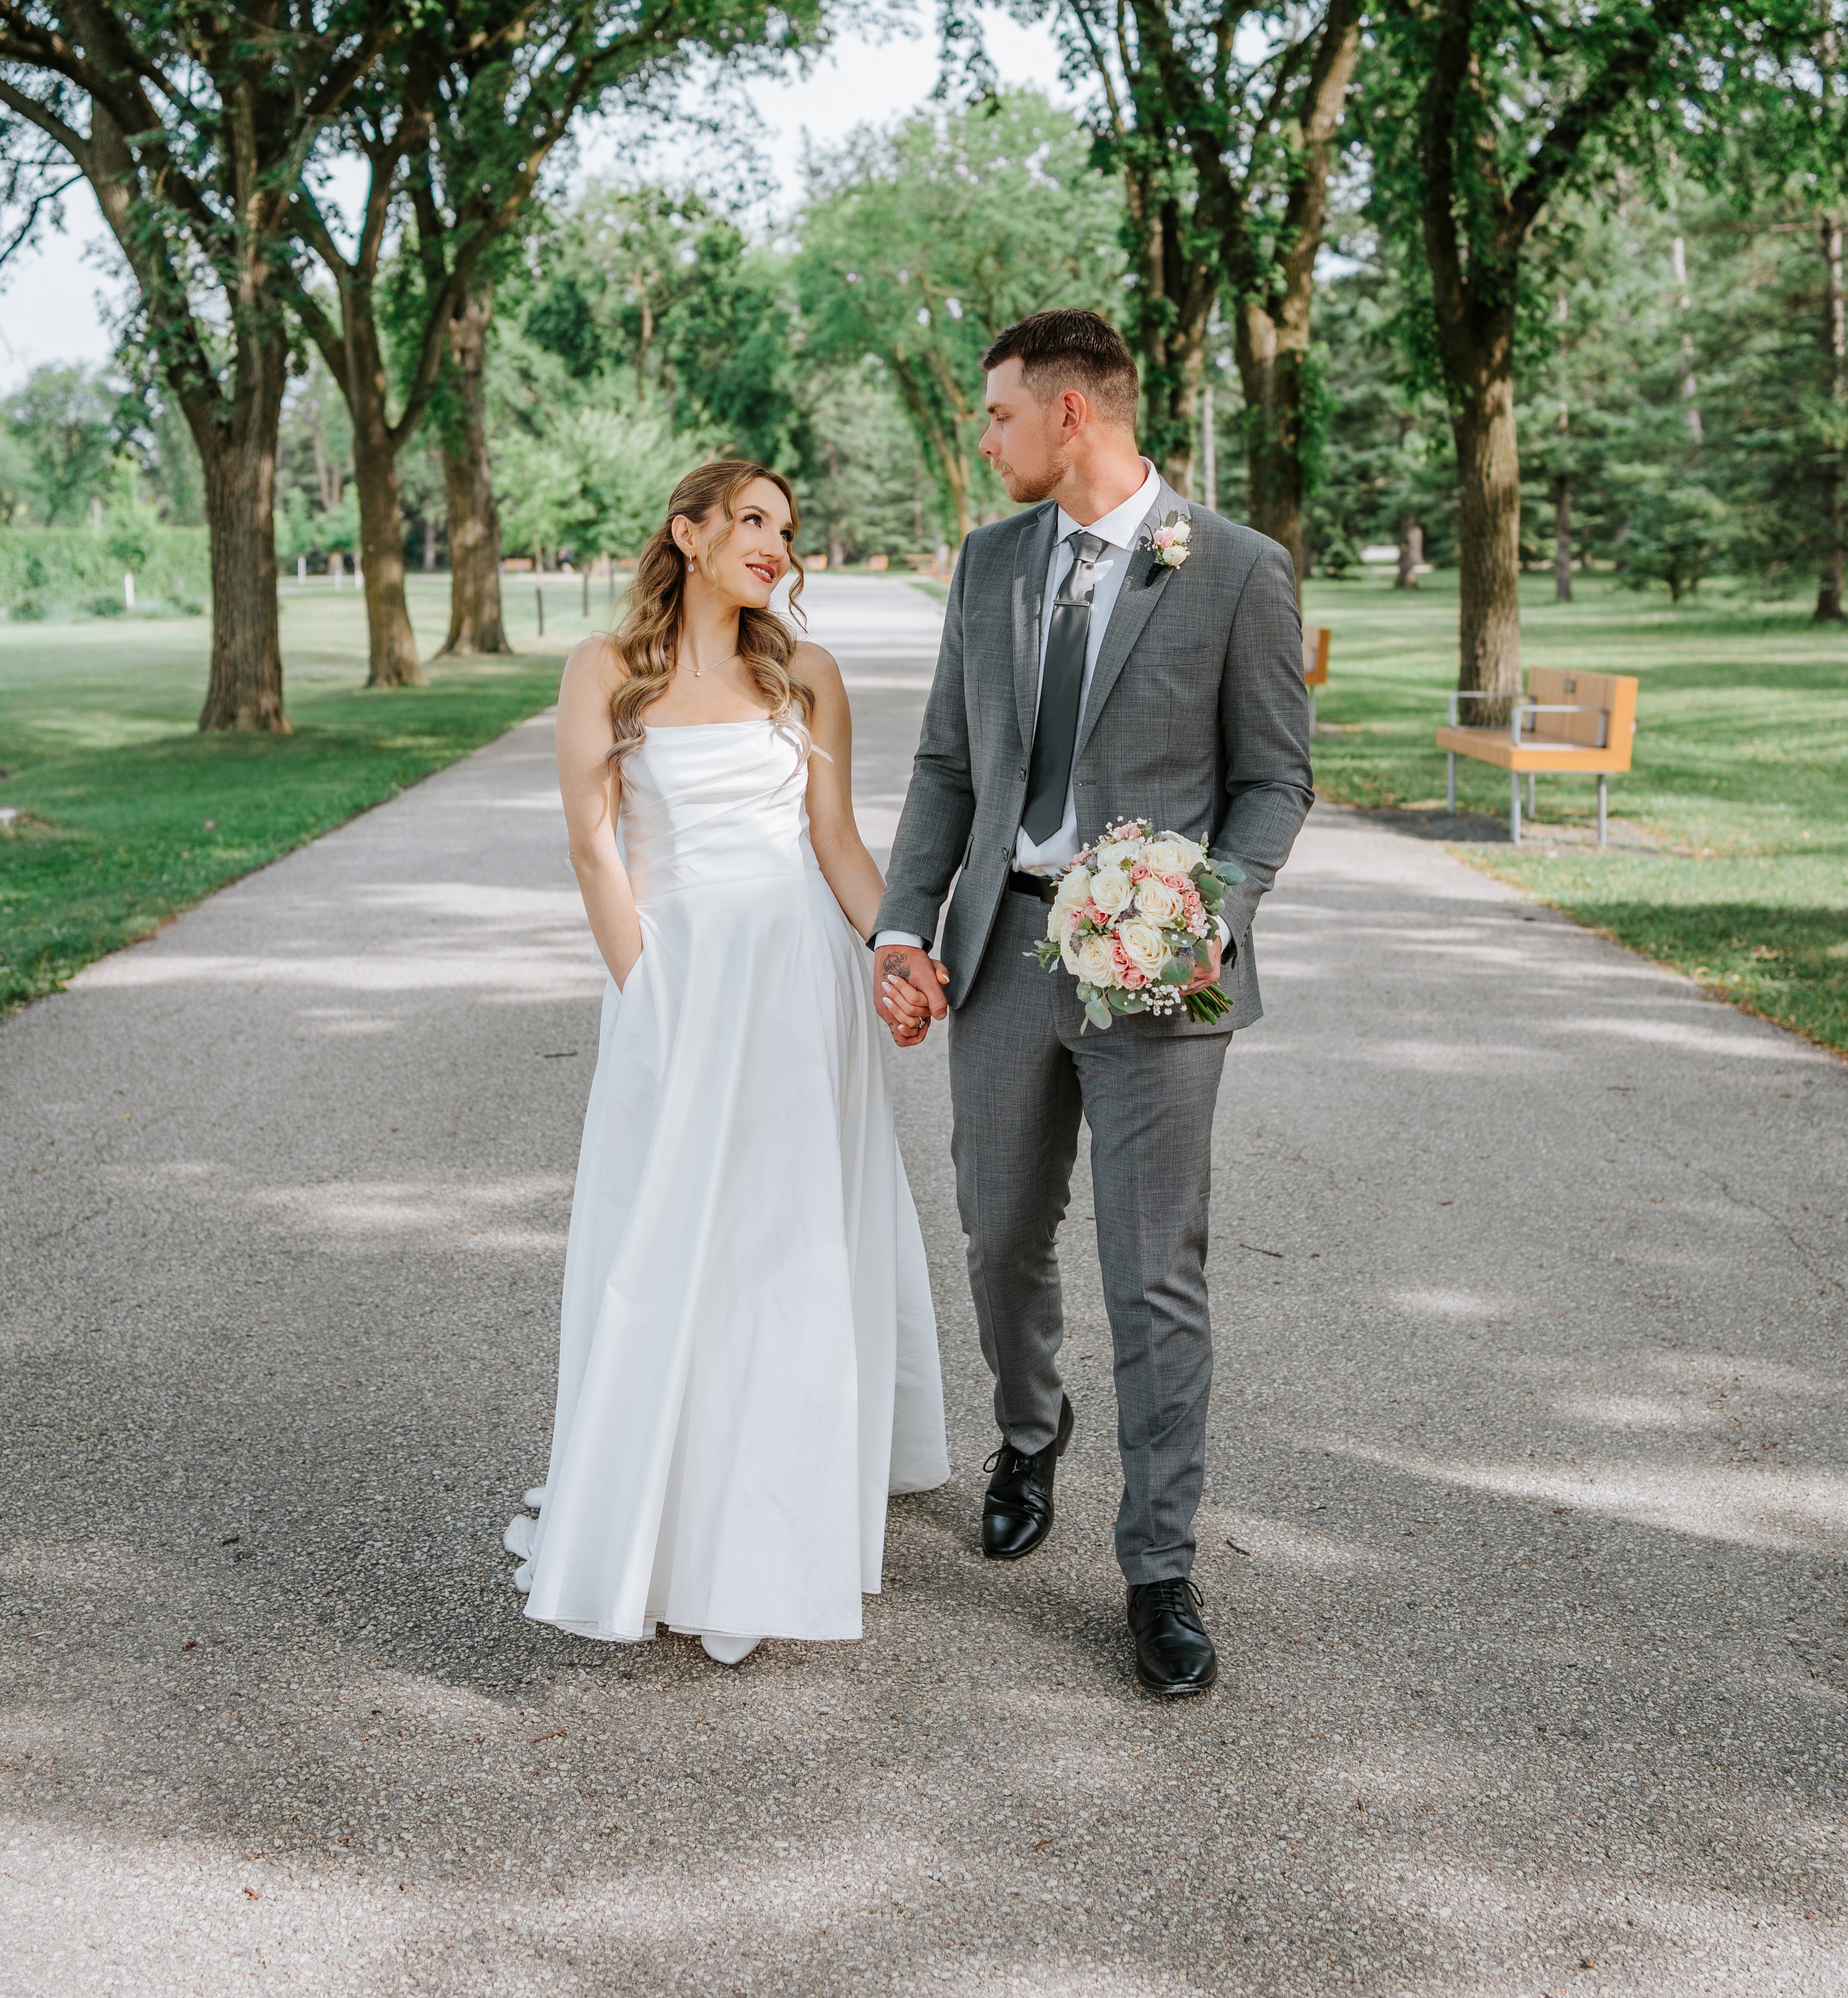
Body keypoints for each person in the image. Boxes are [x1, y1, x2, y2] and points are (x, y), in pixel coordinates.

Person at [873, 312, 1313, 1699]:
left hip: (1162, 979)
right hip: (1003, 954)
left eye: (998, 415)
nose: (985, 439)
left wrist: (1206, 908)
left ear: (1073, 415)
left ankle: (1158, 1568)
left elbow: (1274, 783)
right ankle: (1031, 1426)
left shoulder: (1239, 570)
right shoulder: (991, 560)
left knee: (1154, 1270)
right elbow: (949, 760)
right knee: (1000, 1232)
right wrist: (901, 918)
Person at [505, 459, 947, 1665]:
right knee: (669, 1243)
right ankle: (662, 1514)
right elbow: (598, 856)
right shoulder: (606, 669)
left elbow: (841, 845)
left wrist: (899, 950)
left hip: (800, 985)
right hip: (675, 985)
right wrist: (644, 995)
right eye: (752, 522)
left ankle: (762, 1538)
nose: (776, 548)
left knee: (780, 1252)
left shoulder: (804, 673)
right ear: (688, 532)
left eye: (787, 532)